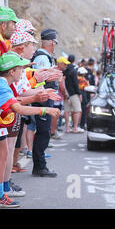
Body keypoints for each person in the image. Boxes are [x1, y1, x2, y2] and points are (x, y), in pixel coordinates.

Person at [0, 52, 60, 207]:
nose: (23, 71)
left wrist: (37, 97)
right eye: (21, 68)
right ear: (12, 71)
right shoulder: (2, 84)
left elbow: (17, 101)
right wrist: (45, 110)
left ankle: (2, 193)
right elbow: (18, 108)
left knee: (4, 156)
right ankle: (1, 195)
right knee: (2, 158)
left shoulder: (4, 84)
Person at [30, 29, 60, 177]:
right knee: (43, 133)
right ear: (53, 43)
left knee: (43, 132)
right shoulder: (43, 58)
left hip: (43, 99)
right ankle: (40, 167)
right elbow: (40, 79)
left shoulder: (43, 56)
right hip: (42, 100)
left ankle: (40, 165)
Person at [63, 54, 83, 133]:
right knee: (77, 110)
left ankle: (67, 128)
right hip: (74, 93)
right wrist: (79, 93)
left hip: (66, 93)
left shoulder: (65, 70)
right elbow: (75, 83)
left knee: (67, 110)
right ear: (74, 60)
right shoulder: (74, 70)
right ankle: (75, 127)